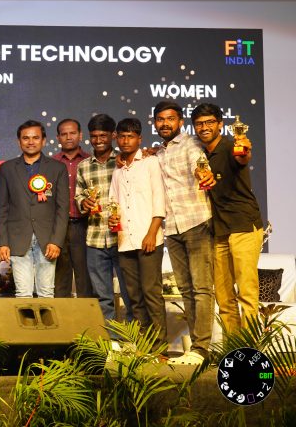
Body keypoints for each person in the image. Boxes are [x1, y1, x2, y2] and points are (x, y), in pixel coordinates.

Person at [191, 103, 264, 333]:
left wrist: (245, 150)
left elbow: (243, 157)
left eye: (209, 122)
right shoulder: (200, 154)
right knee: (223, 298)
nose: (204, 127)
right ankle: (232, 348)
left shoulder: (232, 145)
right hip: (220, 231)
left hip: (243, 225)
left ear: (220, 124)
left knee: (247, 294)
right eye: (199, 124)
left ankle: (250, 348)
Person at [153, 100, 215, 365]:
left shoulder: (191, 144)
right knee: (186, 290)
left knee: (202, 289)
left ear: (180, 121)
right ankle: (195, 349)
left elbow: (199, 164)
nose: (165, 123)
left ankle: (201, 348)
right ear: (155, 123)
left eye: (170, 119)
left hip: (197, 222)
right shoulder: (158, 153)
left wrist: (204, 173)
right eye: (160, 119)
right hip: (172, 227)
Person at [108, 118, 167, 352]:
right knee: (134, 296)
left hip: (148, 238)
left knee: (152, 293)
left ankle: (160, 348)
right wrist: (112, 218)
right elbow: (113, 202)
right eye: (122, 136)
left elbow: (159, 200)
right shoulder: (118, 170)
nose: (125, 141)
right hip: (125, 240)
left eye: (130, 136)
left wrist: (152, 233)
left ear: (139, 139)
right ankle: (144, 347)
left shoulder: (151, 163)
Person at [0, 120, 68, 297]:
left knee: (46, 292)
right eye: (25, 138)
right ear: (18, 141)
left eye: (35, 137)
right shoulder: (7, 168)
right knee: (23, 293)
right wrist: (2, 242)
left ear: (44, 140)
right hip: (17, 238)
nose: (30, 142)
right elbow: (1, 208)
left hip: (48, 240)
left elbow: (62, 208)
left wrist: (56, 241)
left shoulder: (57, 168)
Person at [75, 114, 132, 322]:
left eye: (103, 136)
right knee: (102, 297)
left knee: (129, 293)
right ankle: (110, 338)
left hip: (123, 238)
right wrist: (84, 203)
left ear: (113, 135)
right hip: (95, 238)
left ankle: (132, 336)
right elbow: (79, 195)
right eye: (94, 136)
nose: (98, 140)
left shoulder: (124, 161)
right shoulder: (83, 166)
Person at [52, 118, 92, 298]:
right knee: (60, 281)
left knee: (86, 280)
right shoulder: (51, 164)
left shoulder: (90, 161)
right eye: (64, 134)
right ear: (58, 138)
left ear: (80, 135)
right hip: (59, 227)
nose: (69, 137)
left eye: (73, 133)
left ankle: (88, 316)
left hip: (85, 225)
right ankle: (62, 316)